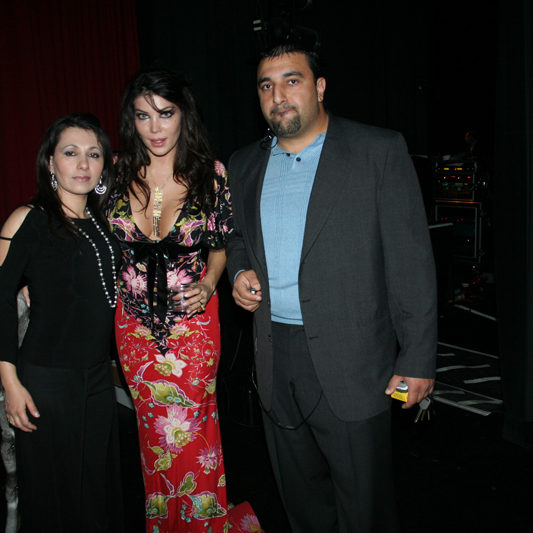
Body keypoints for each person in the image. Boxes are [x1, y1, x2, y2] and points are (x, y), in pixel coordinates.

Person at [226, 43, 437, 533]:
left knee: (366, 508)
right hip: (274, 357)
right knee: (301, 503)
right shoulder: (243, 163)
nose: (278, 95)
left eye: (292, 80)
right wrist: (238, 271)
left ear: (319, 87)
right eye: (266, 85)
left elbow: (411, 261)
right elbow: (235, 235)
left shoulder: (377, 150)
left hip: (355, 362)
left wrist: (417, 359)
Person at [108, 69, 261, 533]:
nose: (155, 127)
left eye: (165, 114)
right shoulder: (112, 173)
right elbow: (70, 210)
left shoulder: (210, 174)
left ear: (183, 115)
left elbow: (221, 241)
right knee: (154, 436)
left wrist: (211, 282)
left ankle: (202, 524)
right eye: (143, 116)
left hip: (192, 327)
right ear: (131, 120)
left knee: (193, 434)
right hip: (133, 329)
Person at [0, 113, 123, 532]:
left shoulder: (105, 223)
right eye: (71, 153)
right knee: (53, 497)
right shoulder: (27, 219)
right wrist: (11, 384)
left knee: (95, 491)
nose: (83, 164)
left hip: (97, 378)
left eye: (94, 154)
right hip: (46, 381)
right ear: (50, 162)